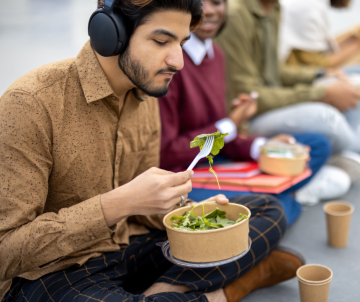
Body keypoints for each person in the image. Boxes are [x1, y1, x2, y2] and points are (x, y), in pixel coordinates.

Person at [0, 1, 302, 302]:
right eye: (161, 41)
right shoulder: (31, 103)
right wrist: (116, 204)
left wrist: (188, 216)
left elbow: (146, 209)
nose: (179, 61)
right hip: (55, 270)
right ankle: (224, 292)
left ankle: (167, 291)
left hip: (128, 244)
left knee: (266, 209)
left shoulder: (147, 94)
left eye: (183, 43)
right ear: (110, 32)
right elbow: (6, 250)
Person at [159, 0, 348, 217]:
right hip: (186, 174)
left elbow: (224, 137)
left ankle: (280, 194)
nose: (209, 10)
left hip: (218, 158)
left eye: (217, 2)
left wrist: (261, 147)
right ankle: (286, 195)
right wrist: (230, 125)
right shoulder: (170, 65)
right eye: (200, 2)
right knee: (274, 207)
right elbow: (169, 153)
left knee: (316, 145)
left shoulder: (216, 55)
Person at [215, 0, 360, 190]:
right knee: (326, 117)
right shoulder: (235, 15)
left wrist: (319, 74)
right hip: (246, 118)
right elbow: (247, 94)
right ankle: (353, 153)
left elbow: (274, 71)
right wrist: (321, 93)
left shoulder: (274, 8)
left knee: (351, 81)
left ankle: (346, 156)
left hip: (273, 102)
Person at [279, 0, 360, 69]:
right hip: (287, 78)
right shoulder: (310, 9)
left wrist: (354, 37)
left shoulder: (311, 5)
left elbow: (325, 52)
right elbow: (317, 68)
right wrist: (356, 43)